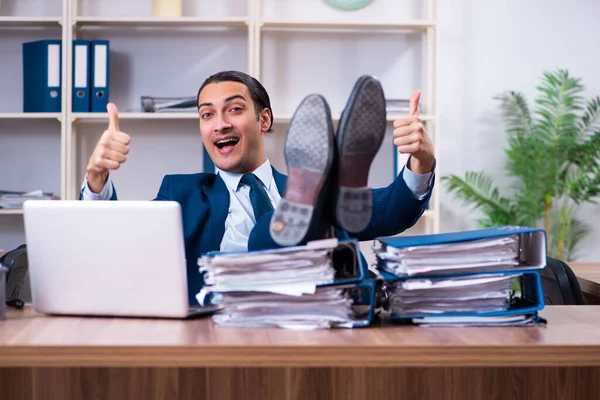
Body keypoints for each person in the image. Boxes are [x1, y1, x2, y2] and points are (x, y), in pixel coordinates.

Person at [81, 71, 436, 303]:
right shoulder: (180, 192)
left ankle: (311, 214)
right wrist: (96, 176)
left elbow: (395, 210)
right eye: (207, 115)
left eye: (234, 110)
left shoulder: (314, 192)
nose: (219, 124)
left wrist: (421, 158)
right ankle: (304, 218)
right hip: (223, 319)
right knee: (272, 232)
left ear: (263, 119)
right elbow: (120, 238)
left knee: (323, 215)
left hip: (312, 315)